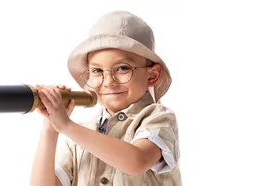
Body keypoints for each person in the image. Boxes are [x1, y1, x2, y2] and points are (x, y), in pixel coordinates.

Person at [30, 10, 182, 186]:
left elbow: (137, 161)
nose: (108, 82)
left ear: (152, 75)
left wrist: (67, 126)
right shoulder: (79, 135)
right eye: (97, 71)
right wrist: (51, 129)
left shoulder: (158, 118)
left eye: (123, 68)